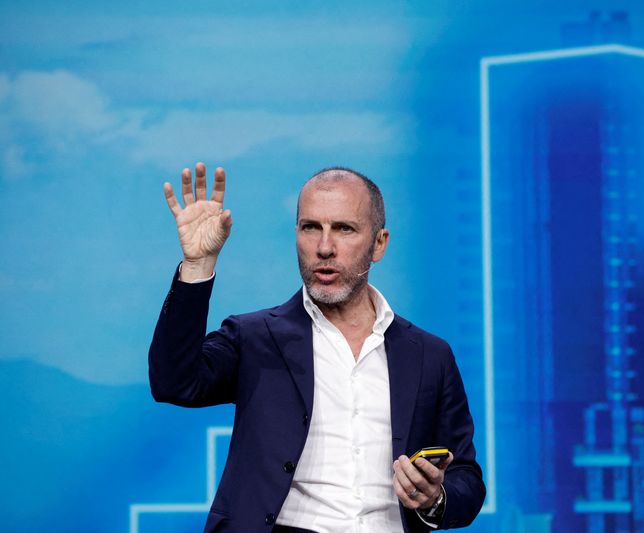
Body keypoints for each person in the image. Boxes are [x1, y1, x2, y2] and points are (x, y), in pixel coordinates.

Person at [149, 163, 485, 533]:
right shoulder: (254, 337)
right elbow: (174, 381)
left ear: (379, 243)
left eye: (344, 229)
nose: (325, 248)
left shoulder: (429, 355)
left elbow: (465, 477)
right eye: (311, 228)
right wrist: (198, 266)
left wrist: (435, 498)